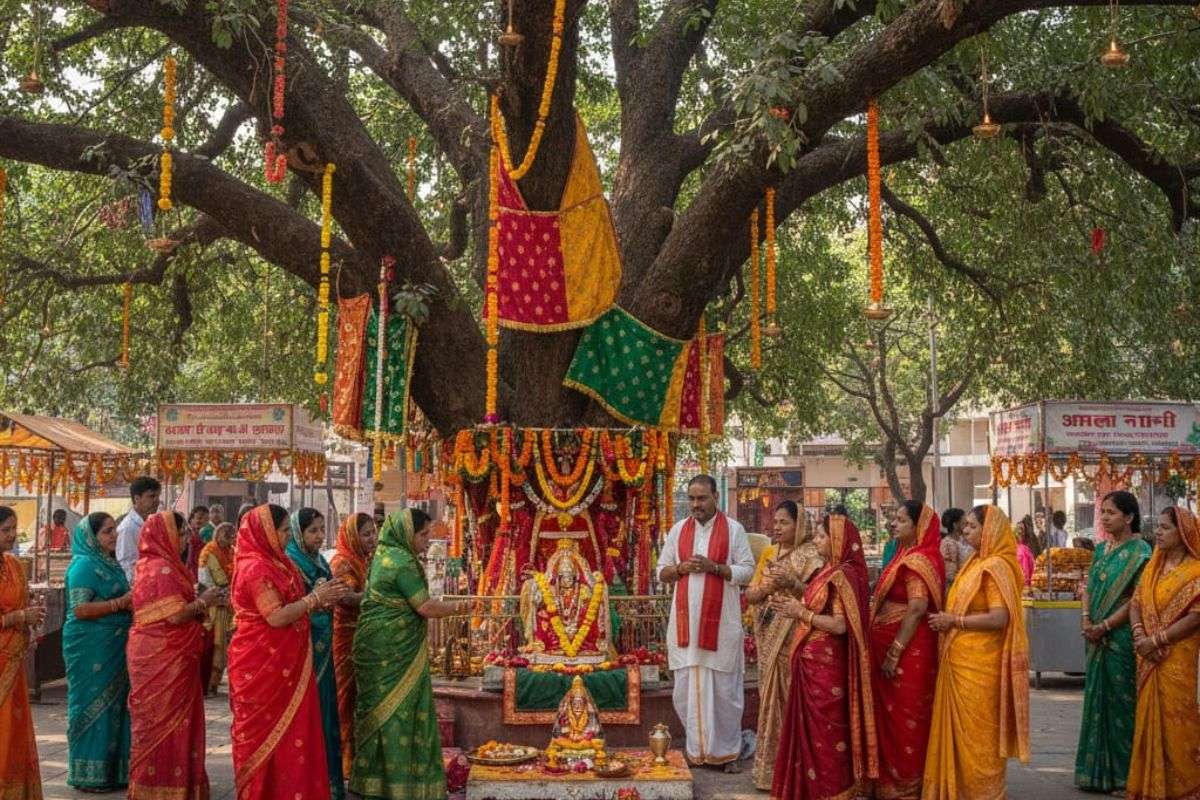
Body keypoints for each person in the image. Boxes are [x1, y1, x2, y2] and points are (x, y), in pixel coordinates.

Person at [229, 504, 348, 800]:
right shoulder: (255, 567)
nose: (285, 537)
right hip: (262, 663)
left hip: (289, 660)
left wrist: (321, 599)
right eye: (282, 531)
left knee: (296, 733)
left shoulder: (278, 561)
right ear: (265, 531)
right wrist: (314, 600)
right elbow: (276, 616)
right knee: (266, 734)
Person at [351, 509, 469, 800]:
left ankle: (376, 781)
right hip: (391, 650)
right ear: (406, 534)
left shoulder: (385, 553)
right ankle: (400, 784)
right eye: (423, 534)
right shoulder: (400, 562)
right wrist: (462, 607)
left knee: (387, 713)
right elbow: (425, 607)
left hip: (381, 647)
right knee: (397, 714)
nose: (428, 540)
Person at [923, 505, 1030, 798]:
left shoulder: (995, 567)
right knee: (963, 736)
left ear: (990, 530)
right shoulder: (974, 562)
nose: (966, 531)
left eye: (972, 526)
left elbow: (999, 618)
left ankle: (983, 793)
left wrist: (954, 621)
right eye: (966, 526)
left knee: (978, 736)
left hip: (980, 667)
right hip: (960, 660)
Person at [768, 514, 877, 800]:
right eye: (816, 535)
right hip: (811, 664)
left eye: (821, 536)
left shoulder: (844, 575)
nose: (816, 540)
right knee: (812, 736)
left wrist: (800, 613)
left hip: (827, 669)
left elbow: (841, 625)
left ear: (838, 540)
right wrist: (792, 605)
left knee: (827, 735)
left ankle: (833, 792)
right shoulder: (827, 571)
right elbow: (814, 605)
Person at [657, 475, 755, 772]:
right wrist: (681, 568)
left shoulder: (734, 530)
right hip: (686, 632)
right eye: (692, 498)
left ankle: (726, 754)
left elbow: (748, 571)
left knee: (724, 691)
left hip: (721, 628)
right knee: (686, 689)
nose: (696, 504)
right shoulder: (677, 531)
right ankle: (696, 751)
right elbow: (661, 571)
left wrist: (715, 568)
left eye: (702, 498)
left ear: (716, 498)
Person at [127, 511, 221, 800]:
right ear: (163, 535)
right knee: (160, 724)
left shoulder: (158, 566)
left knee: (176, 722)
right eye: (179, 533)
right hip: (162, 656)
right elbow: (177, 614)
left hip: (169, 655)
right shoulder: (161, 569)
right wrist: (203, 601)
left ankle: (176, 786)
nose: (184, 540)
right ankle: (158, 789)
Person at [1074, 490, 1152, 793]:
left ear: (1129, 517)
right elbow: (1089, 588)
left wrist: (1105, 625)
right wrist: (1085, 620)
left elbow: (1136, 599)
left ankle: (1125, 775)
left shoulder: (1140, 552)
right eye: (1103, 511)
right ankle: (1095, 774)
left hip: (1119, 638)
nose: (1104, 517)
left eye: (1111, 512)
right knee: (1097, 701)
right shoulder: (1102, 549)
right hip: (1093, 635)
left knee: (1122, 705)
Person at [744, 500, 823, 790]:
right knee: (769, 698)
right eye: (775, 522)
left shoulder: (811, 556)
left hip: (794, 636)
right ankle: (769, 771)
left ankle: (795, 769)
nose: (777, 527)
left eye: (784, 522)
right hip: (767, 635)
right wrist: (766, 588)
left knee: (790, 697)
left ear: (799, 524)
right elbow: (751, 595)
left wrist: (790, 581)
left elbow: (817, 597)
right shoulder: (768, 553)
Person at [869, 499, 945, 800]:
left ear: (918, 527)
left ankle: (906, 786)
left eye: (901, 520)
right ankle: (888, 782)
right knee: (890, 718)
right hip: (897, 647)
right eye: (895, 519)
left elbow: (916, 609)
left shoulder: (919, 560)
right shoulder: (905, 554)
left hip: (910, 653)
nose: (894, 523)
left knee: (906, 720)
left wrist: (894, 651)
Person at [1126, 506, 1200, 800]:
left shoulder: (1195, 571)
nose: (1158, 532)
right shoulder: (1153, 567)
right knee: (1147, 721)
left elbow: (1196, 616)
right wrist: (1140, 637)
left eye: (1166, 527)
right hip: (1147, 657)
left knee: (1181, 724)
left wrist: (1157, 641)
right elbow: (1135, 604)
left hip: (1180, 660)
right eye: (1157, 526)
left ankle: (1185, 789)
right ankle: (1150, 787)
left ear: (1183, 534)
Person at [63, 512, 133, 792]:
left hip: (115, 645)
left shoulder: (111, 564)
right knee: (92, 704)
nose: (114, 536)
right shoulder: (83, 565)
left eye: (114, 530)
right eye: (107, 531)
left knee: (117, 707)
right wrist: (120, 604)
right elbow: (80, 609)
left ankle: (114, 770)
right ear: (91, 536)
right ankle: (88, 773)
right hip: (91, 646)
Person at [285, 508, 345, 800]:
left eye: (323, 530)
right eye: (314, 531)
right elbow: (290, 604)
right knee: (310, 711)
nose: (320, 537)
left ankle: (327, 784)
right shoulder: (291, 561)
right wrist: (318, 599)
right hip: (303, 643)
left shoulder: (318, 559)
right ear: (299, 532)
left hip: (323, 638)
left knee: (326, 710)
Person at [0, 506, 46, 800]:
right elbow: (15, 613)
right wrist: (18, 618)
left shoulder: (15, 565)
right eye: (6, 530)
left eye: (14, 529)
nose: (13, 535)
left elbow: (23, 603)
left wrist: (32, 620)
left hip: (13, 661)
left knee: (13, 728)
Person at [331, 512, 378, 777]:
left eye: (374, 532)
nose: (373, 538)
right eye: (366, 534)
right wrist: (376, 597)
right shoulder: (343, 562)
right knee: (345, 698)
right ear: (352, 536)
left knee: (359, 698)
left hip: (362, 635)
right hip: (345, 637)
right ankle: (344, 762)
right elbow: (344, 596)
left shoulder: (363, 560)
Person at [197, 521, 235, 695]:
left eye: (232, 535)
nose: (230, 539)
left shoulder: (231, 552)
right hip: (214, 603)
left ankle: (216, 682)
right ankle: (209, 683)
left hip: (228, 602)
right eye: (226, 535)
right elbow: (205, 581)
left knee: (225, 643)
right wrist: (220, 596)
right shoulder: (208, 552)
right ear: (217, 535)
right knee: (216, 643)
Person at [115, 476, 162, 582]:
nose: (157, 501)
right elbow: (127, 567)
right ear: (137, 499)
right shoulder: (128, 528)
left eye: (158, 496)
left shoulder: (151, 522)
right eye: (151, 496)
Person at [939, 508, 973, 587]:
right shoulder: (947, 544)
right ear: (955, 525)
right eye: (964, 523)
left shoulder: (963, 539)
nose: (967, 525)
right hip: (958, 586)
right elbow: (950, 575)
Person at [183, 506, 208, 581]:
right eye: (199, 518)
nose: (203, 521)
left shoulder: (209, 540)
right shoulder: (183, 539)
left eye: (206, 519)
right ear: (191, 520)